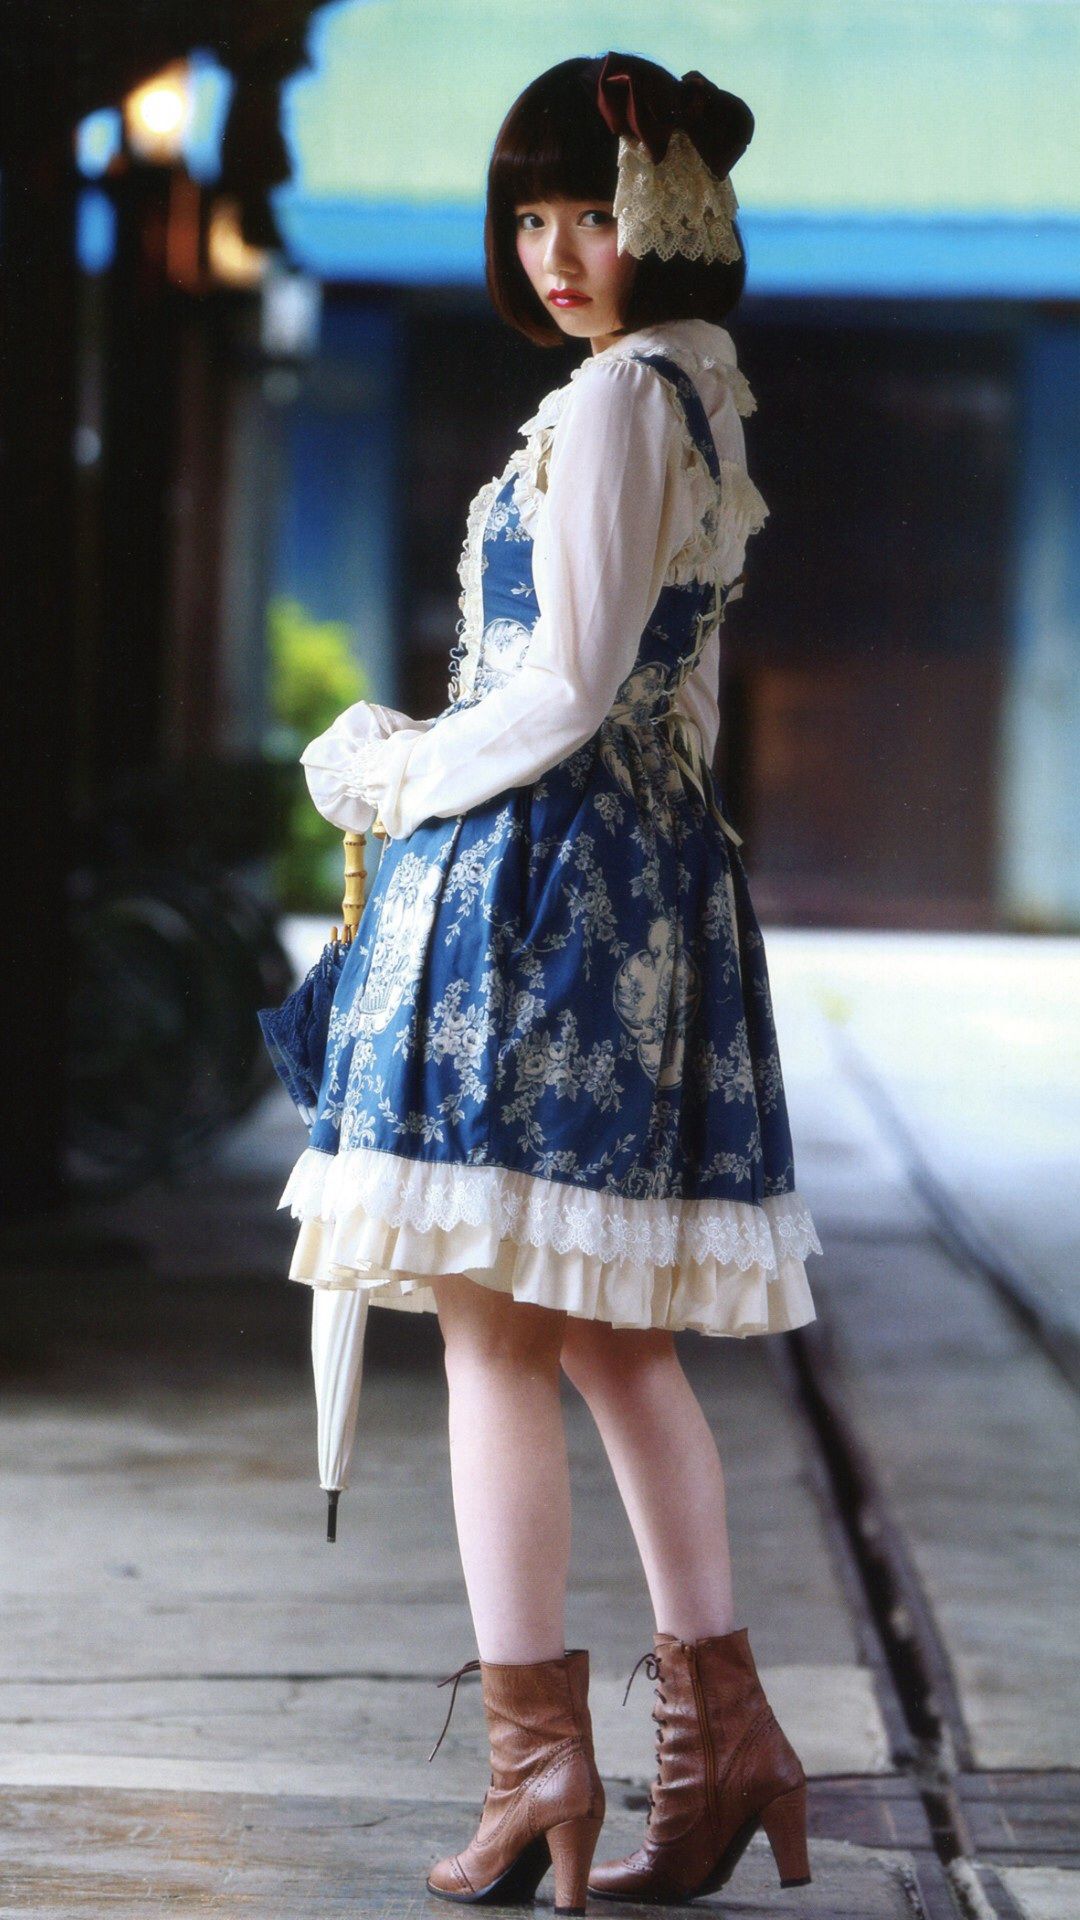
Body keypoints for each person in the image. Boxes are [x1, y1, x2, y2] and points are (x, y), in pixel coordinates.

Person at [287, 49, 822, 1913]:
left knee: (499, 1335)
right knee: (605, 1336)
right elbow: (661, 700)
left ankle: (544, 1775)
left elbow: (568, 690)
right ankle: (721, 1743)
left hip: (538, 888)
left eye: (594, 211)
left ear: (669, 216)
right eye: (530, 218)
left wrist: (394, 772)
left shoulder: (614, 397)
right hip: (634, 875)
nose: (559, 252)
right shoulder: (700, 389)